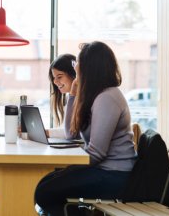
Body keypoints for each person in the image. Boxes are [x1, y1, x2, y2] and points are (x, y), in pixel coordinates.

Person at [35, 41, 137, 216]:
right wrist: (73, 96)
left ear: (90, 67)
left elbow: (96, 154)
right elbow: (70, 133)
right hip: (105, 170)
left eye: (77, 63)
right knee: (42, 184)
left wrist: (67, 168)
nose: (75, 67)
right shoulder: (96, 95)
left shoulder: (107, 98)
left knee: (44, 191)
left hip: (114, 175)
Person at [46, 53, 77, 139]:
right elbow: (65, 129)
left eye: (59, 77)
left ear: (74, 75)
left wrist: (45, 132)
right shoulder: (69, 97)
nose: (55, 81)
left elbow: (70, 132)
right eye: (54, 77)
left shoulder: (83, 99)